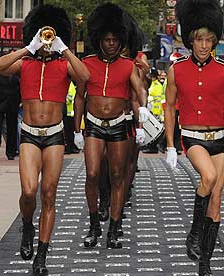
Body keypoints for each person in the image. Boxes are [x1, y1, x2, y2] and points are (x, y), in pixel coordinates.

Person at [0, 5, 89, 275]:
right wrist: (28, 47)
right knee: (29, 192)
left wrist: (64, 47)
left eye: (51, 36)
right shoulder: (26, 63)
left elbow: (85, 77)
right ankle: (27, 225)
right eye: (43, 35)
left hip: (55, 135)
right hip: (30, 135)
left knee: (48, 194)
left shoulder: (64, 63)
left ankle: (41, 257)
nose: (47, 40)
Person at [164, 0, 224, 275]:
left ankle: (205, 263)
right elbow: (169, 107)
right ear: (191, 40)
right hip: (193, 137)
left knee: (216, 200)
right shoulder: (176, 71)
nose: (203, 45)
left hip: (220, 138)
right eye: (199, 40)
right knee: (208, 178)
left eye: (209, 40)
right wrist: (170, 145)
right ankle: (195, 231)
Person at [73, 3, 148, 250]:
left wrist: (144, 109)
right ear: (99, 40)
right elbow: (80, 97)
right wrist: (76, 130)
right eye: (107, 39)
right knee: (93, 174)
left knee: (118, 176)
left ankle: (114, 228)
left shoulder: (128, 65)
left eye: (115, 39)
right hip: (93, 125)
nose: (111, 44)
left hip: (118, 126)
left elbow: (139, 90)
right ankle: (94, 224)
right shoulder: (87, 63)